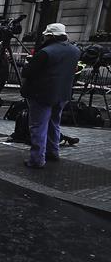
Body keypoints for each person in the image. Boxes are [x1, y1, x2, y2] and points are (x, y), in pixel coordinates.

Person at [20, 23, 81, 168]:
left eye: (45, 35)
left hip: (42, 94)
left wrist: (29, 62)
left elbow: (27, 72)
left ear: (50, 36)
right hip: (63, 93)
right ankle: (53, 151)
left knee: (38, 126)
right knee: (54, 123)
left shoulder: (46, 52)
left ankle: (37, 159)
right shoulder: (75, 51)